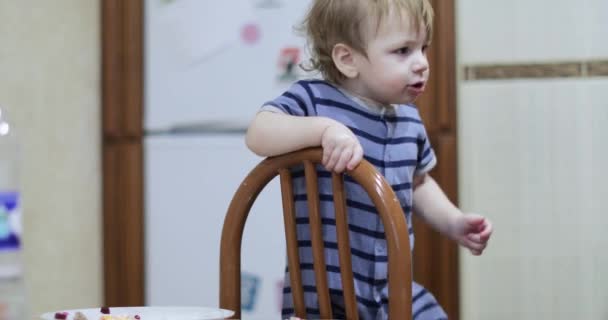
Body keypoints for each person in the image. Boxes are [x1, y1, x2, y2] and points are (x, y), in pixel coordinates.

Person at [246, 0, 493, 319]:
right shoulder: (315, 101)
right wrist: (324, 130)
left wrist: (454, 222)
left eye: (423, 48)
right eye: (403, 50)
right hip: (324, 299)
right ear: (348, 59)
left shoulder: (409, 120)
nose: (421, 63)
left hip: (393, 291)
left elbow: (418, 183)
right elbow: (258, 132)